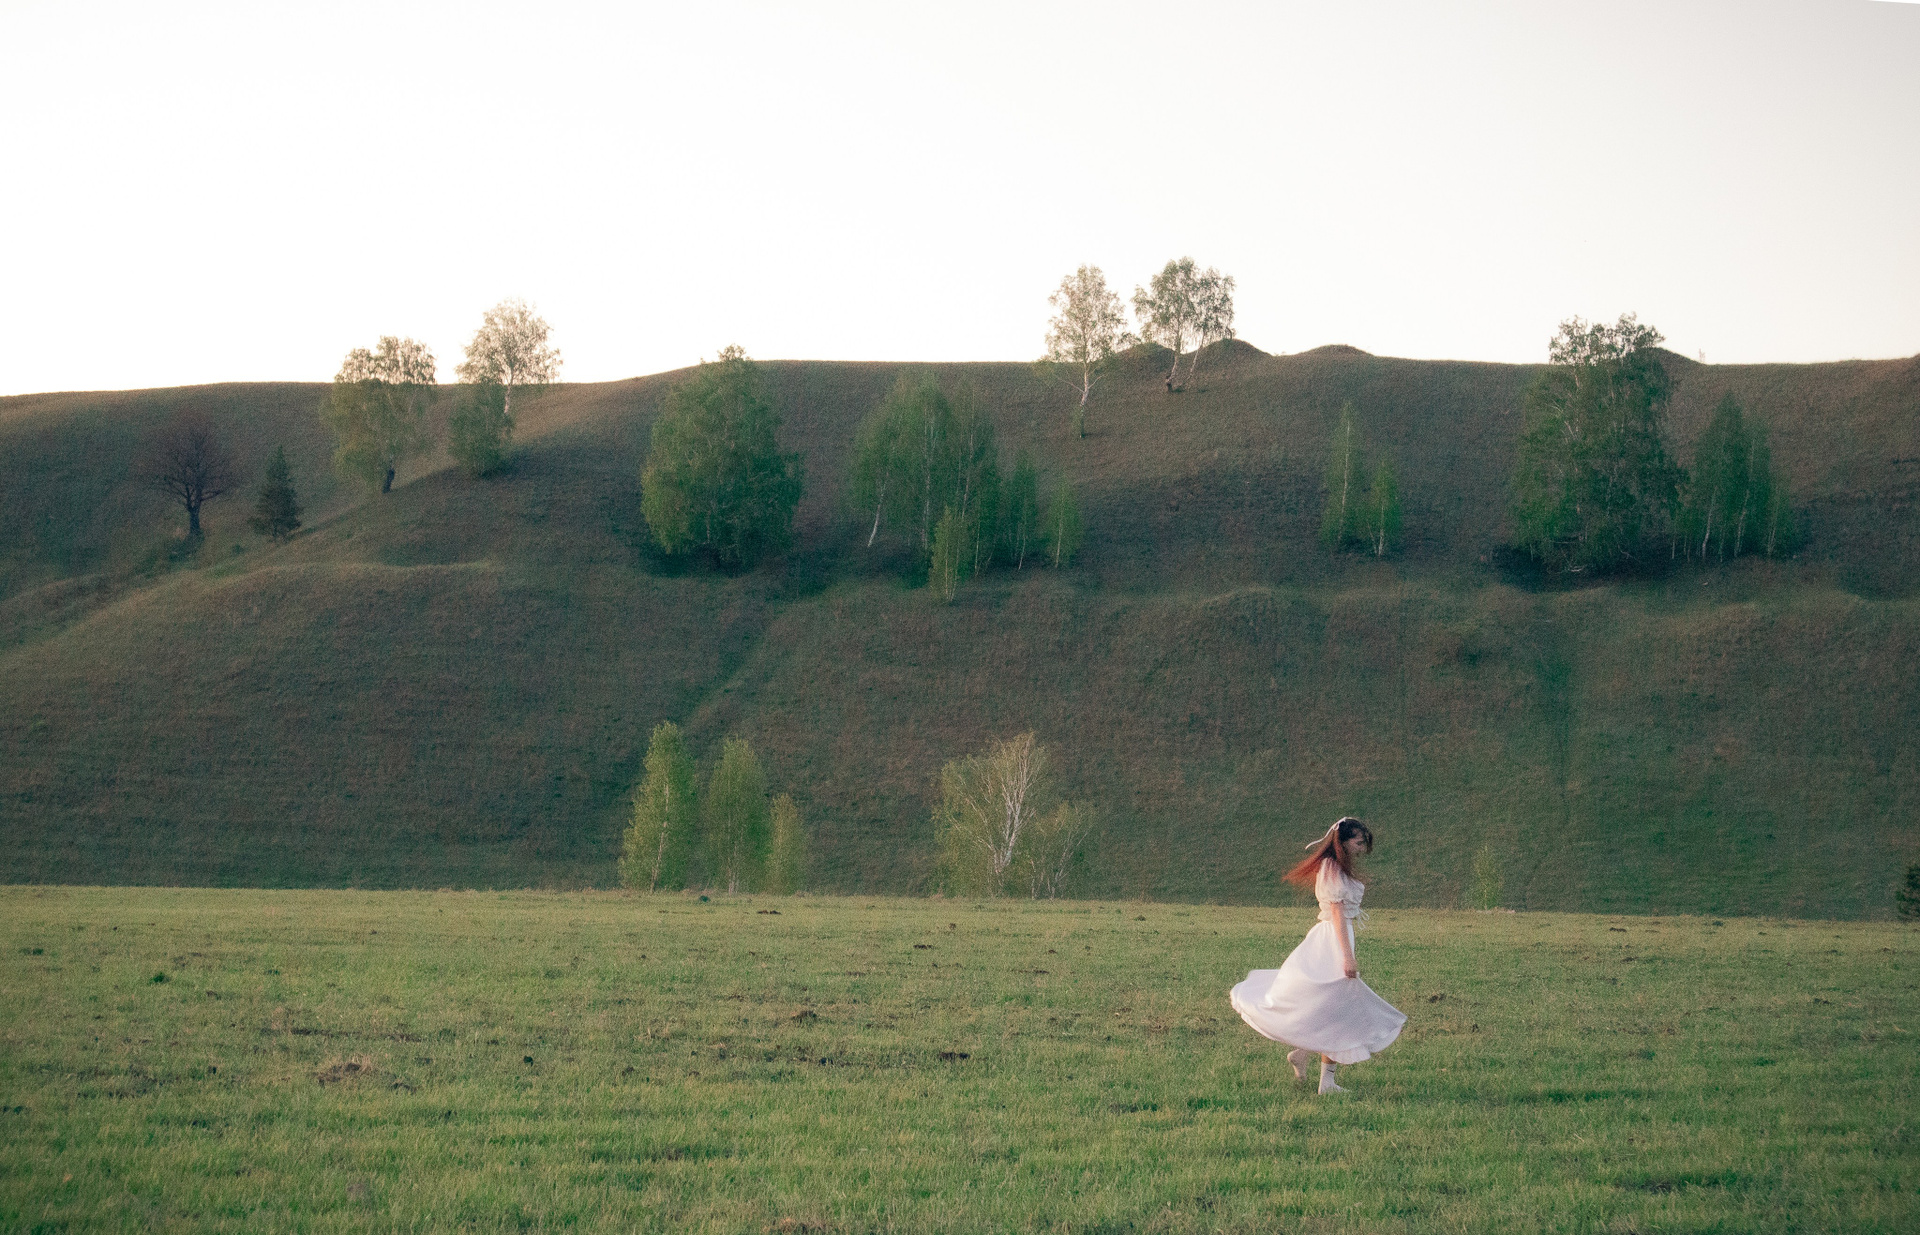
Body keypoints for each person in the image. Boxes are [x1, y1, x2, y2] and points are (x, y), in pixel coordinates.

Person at [1229, 817, 1406, 1094]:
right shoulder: (1332, 868)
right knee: (1338, 1007)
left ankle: (1305, 1058)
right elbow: (1337, 913)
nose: (1362, 849)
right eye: (1358, 843)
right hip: (1332, 940)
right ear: (1343, 842)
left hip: (1335, 937)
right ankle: (1327, 1083)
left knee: (1329, 1005)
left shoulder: (1337, 867)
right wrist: (1347, 957)